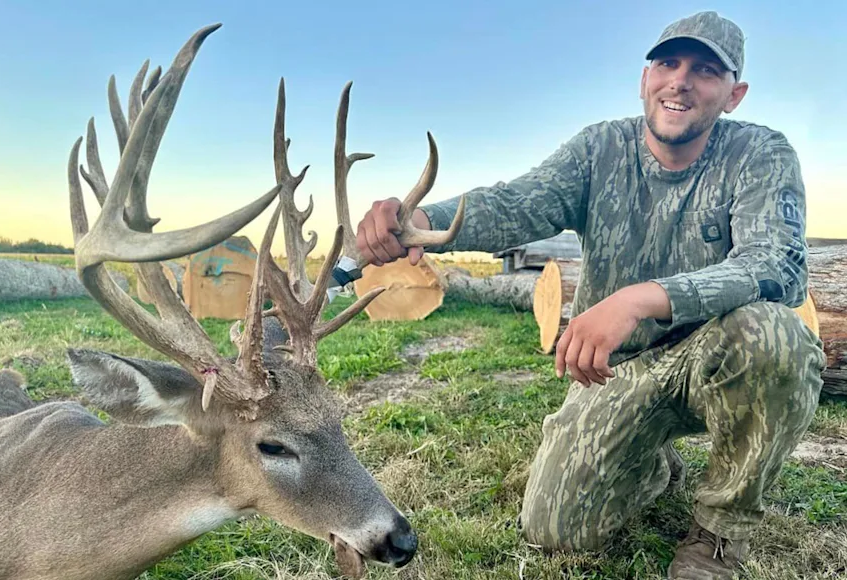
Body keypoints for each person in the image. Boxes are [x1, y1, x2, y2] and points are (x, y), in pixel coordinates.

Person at [354, 10, 826, 580]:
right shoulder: (600, 148)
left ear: (734, 94)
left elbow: (778, 264)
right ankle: (655, 465)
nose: (681, 80)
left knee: (777, 336)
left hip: (718, 358)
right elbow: (517, 202)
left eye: (704, 70)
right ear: (645, 78)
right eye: (668, 63)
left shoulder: (760, 154)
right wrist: (419, 218)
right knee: (556, 531)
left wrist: (638, 299)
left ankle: (719, 537)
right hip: (615, 374)